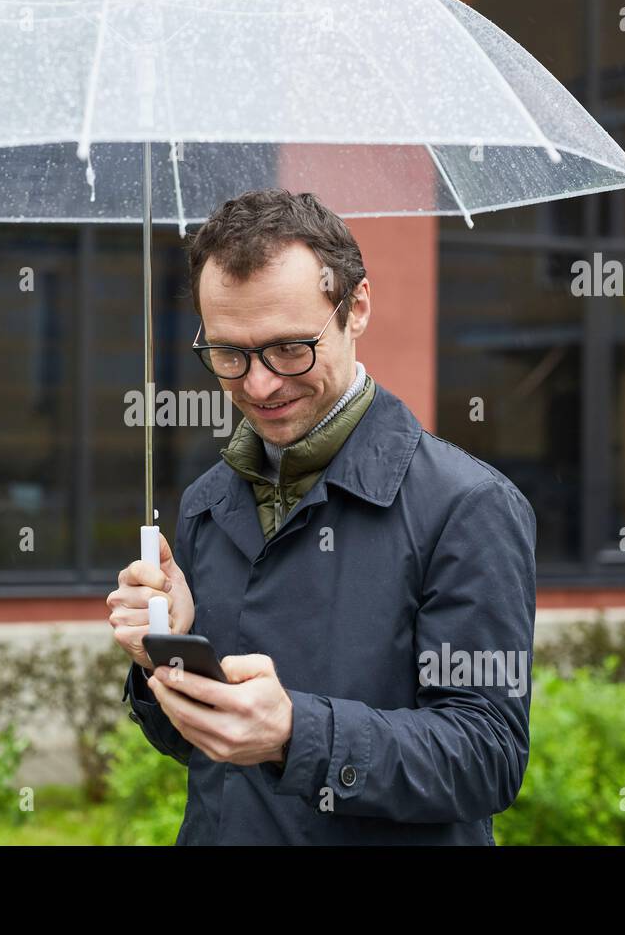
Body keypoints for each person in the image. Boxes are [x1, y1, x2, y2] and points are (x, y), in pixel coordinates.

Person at [106, 188, 537, 844]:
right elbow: (196, 748)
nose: (258, 385)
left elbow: (487, 757)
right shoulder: (204, 504)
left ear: (355, 306)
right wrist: (162, 653)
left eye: (289, 349)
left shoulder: (468, 507)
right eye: (229, 355)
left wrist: (295, 733)